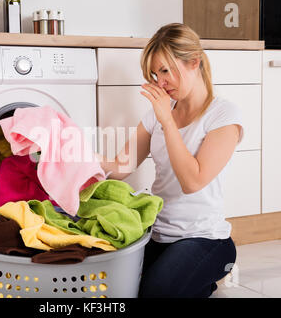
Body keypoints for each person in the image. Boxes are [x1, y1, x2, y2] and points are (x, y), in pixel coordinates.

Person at [98, 23, 242, 298]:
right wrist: (76, 159)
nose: (160, 82)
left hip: (204, 239)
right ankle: (199, 284)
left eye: (165, 70)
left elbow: (193, 181)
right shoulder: (156, 115)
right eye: (155, 74)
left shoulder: (223, 115)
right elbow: (121, 167)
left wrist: (167, 120)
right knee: (115, 290)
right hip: (157, 234)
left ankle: (204, 274)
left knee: (155, 293)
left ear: (194, 62)